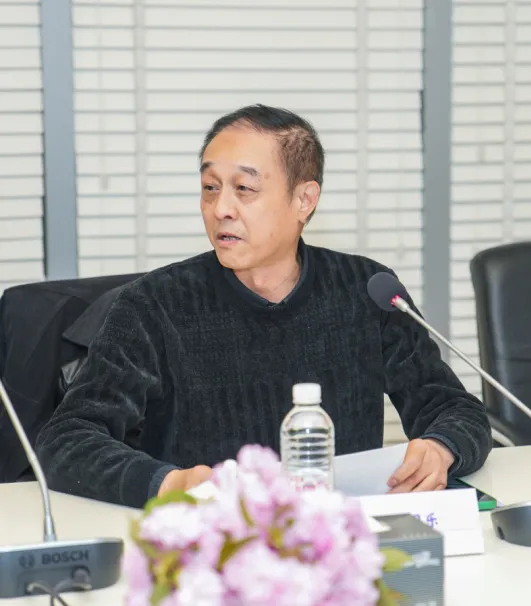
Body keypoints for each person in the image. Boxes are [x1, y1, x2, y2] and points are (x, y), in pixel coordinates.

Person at [36, 104, 492, 507]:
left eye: (244, 189)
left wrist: (441, 447)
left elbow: (454, 408)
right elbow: (68, 440)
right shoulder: (154, 305)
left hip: (336, 536)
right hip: (211, 544)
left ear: (304, 199)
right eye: (210, 187)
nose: (220, 208)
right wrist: (168, 483)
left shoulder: (366, 290)